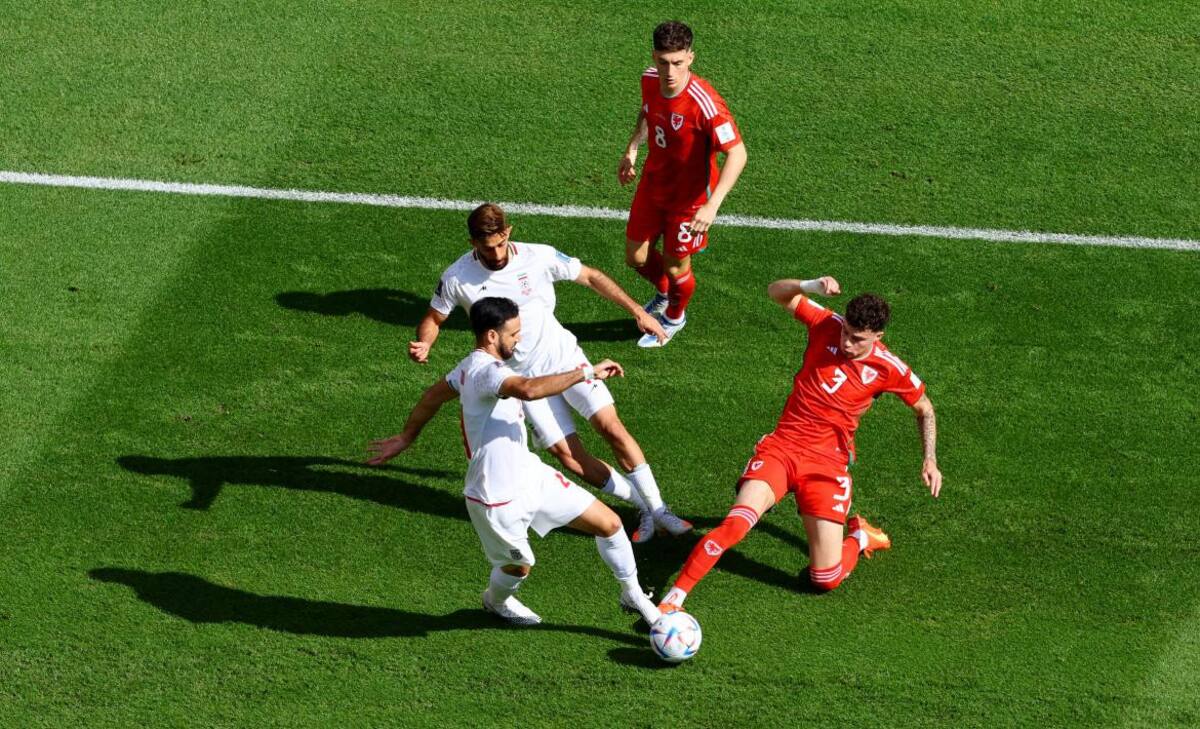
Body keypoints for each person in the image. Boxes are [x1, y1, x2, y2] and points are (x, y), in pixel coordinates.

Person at [368, 297, 662, 627]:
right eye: (514, 333)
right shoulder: (486, 372)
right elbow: (527, 390)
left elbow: (433, 396)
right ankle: (495, 601)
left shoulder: (468, 367)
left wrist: (407, 436)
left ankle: (632, 594)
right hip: (494, 497)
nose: (519, 338)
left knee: (609, 524)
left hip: (530, 475)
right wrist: (585, 372)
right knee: (518, 568)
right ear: (492, 336)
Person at [409, 203, 691, 543]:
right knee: (570, 457)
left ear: (508, 232)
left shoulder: (537, 257)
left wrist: (637, 312)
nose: (496, 254)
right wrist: (425, 343)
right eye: (486, 248)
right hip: (523, 383)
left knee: (611, 428)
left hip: (564, 359)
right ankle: (642, 505)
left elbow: (590, 276)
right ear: (472, 242)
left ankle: (661, 510)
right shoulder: (457, 277)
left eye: (500, 244)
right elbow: (434, 317)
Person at [659, 276, 943, 610]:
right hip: (783, 449)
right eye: (846, 333)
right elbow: (775, 292)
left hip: (827, 466)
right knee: (736, 524)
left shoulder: (890, 368)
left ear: (878, 337)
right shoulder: (826, 323)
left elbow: (924, 408)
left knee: (825, 579)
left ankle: (861, 536)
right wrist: (809, 286)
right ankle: (672, 600)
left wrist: (929, 459)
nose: (848, 343)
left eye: (858, 339)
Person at [618, 20, 748, 347]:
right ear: (654, 57)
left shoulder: (705, 104)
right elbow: (647, 112)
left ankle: (675, 316)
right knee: (635, 258)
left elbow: (738, 153)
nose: (670, 71)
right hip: (653, 186)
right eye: (663, 62)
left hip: (689, 201)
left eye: (677, 62)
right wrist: (633, 147)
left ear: (690, 57)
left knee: (677, 268)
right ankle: (663, 294)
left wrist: (712, 205)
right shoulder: (650, 79)